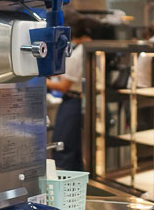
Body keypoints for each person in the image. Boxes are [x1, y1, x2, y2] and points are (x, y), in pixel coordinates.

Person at [46, 16, 108, 171]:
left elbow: (64, 86)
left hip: (73, 102)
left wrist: (41, 81)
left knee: (65, 145)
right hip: (80, 101)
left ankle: (65, 184)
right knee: (74, 146)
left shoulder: (80, 52)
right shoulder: (88, 50)